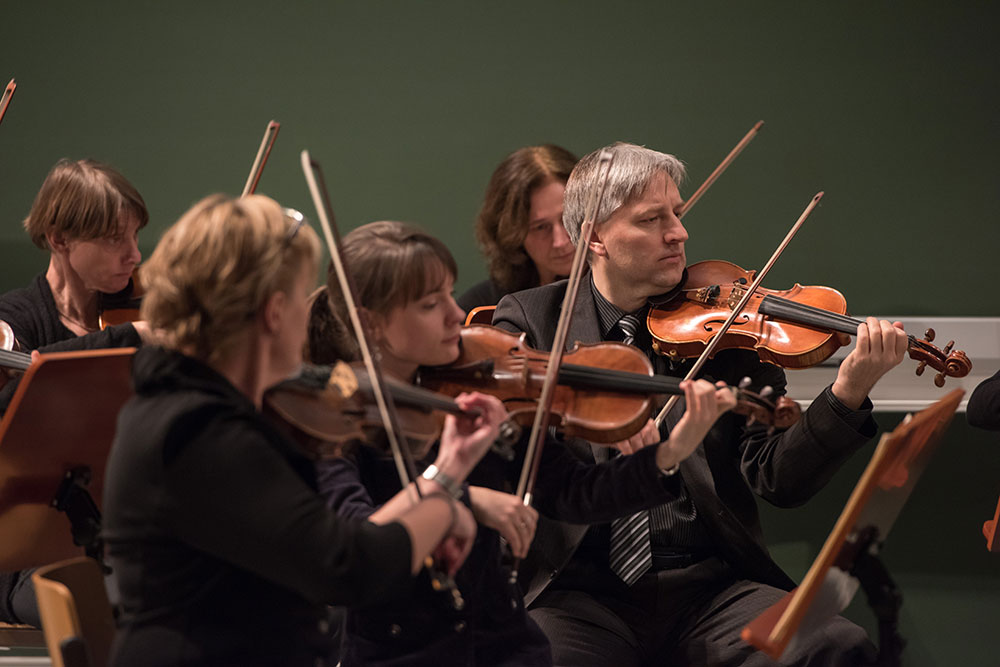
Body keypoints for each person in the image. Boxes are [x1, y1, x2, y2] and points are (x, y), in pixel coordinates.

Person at [493, 142, 909, 666]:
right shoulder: (531, 322)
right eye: (652, 219)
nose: (679, 233)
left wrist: (847, 393)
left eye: (678, 214)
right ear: (594, 236)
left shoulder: (724, 323)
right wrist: (592, 425)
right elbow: (509, 452)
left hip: (709, 590)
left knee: (835, 646)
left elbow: (777, 479)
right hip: (578, 592)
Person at [309, 220, 735, 666]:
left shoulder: (482, 384)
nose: (457, 316)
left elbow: (572, 493)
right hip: (402, 651)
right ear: (369, 324)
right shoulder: (336, 419)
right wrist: (460, 495)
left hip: (502, 642)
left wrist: (668, 455)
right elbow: (358, 544)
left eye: (450, 294)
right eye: (431, 304)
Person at [102, 195, 497, 667]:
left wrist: (445, 483)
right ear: (273, 312)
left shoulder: (182, 405)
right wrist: (446, 495)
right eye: (301, 295)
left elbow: (328, 544)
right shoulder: (201, 431)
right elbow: (347, 568)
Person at [0, 158, 152, 627]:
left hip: (126, 533)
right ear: (59, 239)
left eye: (135, 237)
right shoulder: (16, 321)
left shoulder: (139, 311)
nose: (135, 255)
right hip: (26, 553)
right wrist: (131, 339)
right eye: (114, 240)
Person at [457, 145, 577, 313]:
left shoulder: (618, 295)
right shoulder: (482, 310)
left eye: (567, 218)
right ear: (512, 233)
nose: (560, 241)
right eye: (541, 227)